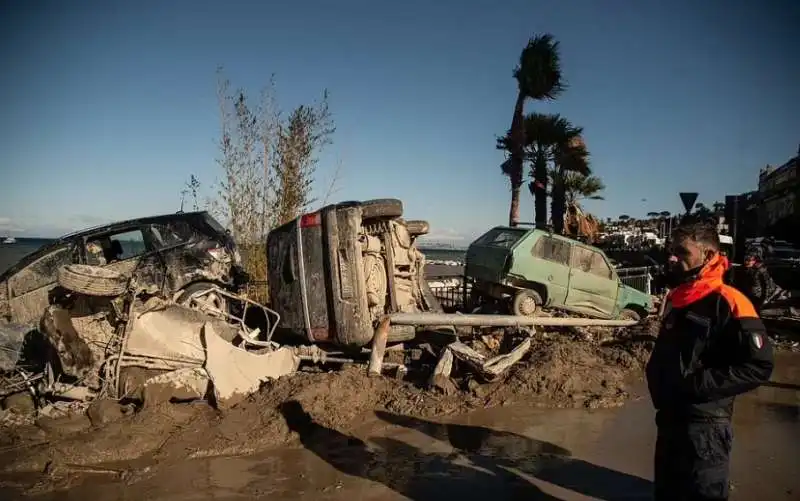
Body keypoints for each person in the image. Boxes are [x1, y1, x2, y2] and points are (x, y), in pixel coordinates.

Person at [646, 221, 774, 501]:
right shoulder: (680, 298)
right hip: (670, 417)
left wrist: (697, 384)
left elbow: (759, 366)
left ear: (707, 256)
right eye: (671, 251)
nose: (672, 258)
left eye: (682, 253)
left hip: (705, 427)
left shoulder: (730, 302)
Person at [738, 248, 777, 314]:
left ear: (755, 260)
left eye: (749, 260)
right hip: (746, 295)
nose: (746, 262)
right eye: (745, 260)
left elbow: (766, 286)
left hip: (757, 297)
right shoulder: (744, 268)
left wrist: (764, 299)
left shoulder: (761, 270)